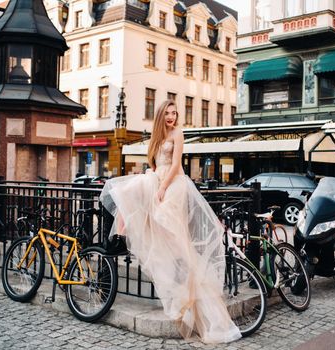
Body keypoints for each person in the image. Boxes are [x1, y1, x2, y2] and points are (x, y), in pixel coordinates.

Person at [100, 100, 241, 343]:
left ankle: (187, 281)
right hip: (158, 178)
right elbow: (154, 163)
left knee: (170, 230)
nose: (172, 117)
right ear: (161, 115)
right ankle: (121, 236)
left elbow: (176, 165)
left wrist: (162, 187)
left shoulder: (178, 133)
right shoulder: (156, 135)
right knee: (128, 192)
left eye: (174, 113)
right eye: (168, 113)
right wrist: (154, 179)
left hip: (174, 184)